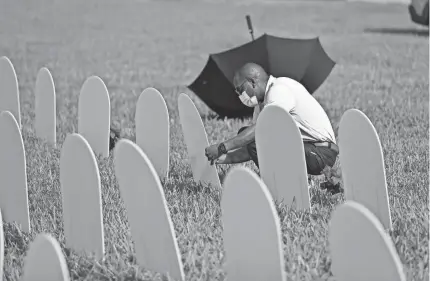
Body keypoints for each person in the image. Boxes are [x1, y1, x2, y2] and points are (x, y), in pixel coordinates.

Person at [204, 62, 341, 193]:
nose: (240, 95)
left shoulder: (279, 90)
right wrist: (222, 158)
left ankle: (284, 187)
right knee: (248, 136)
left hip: (321, 153)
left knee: (254, 137)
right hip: (308, 149)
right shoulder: (261, 104)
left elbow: (259, 133)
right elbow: (253, 149)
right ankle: (286, 184)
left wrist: (222, 147)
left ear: (252, 82)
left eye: (240, 90)